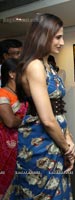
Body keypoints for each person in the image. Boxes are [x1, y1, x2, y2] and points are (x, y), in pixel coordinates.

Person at [3, 13, 75, 199]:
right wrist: (67, 149)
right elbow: (48, 120)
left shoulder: (48, 65)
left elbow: (57, 109)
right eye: (58, 37)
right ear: (43, 35)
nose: (62, 42)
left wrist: (68, 137)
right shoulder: (35, 65)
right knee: (41, 193)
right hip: (41, 142)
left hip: (56, 140)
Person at [0, 58, 27, 199]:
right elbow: (10, 121)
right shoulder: (2, 93)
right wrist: (28, 120)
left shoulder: (22, 93)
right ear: (11, 74)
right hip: (7, 144)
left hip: (25, 143)